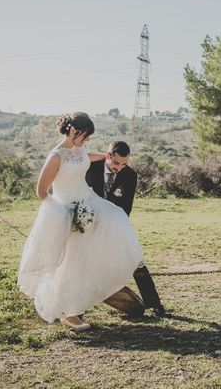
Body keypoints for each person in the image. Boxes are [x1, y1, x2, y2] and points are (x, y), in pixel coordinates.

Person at [18, 113, 144, 332]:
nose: (86, 142)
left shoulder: (79, 150)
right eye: (85, 137)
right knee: (70, 260)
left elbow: (87, 158)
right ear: (74, 131)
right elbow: (41, 192)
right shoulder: (55, 157)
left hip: (88, 202)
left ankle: (95, 287)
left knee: (116, 218)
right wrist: (61, 214)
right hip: (66, 210)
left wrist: (104, 155)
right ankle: (69, 313)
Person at [85, 140, 167, 317]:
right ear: (108, 155)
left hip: (116, 224)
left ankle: (154, 304)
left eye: (124, 164)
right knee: (81, 262)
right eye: (116, 163)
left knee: (135, 259)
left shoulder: (130, 176)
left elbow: (126, 208)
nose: (119, 168)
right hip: (86, 224)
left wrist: (111, 229)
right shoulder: (90, 167)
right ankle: (76, 311)